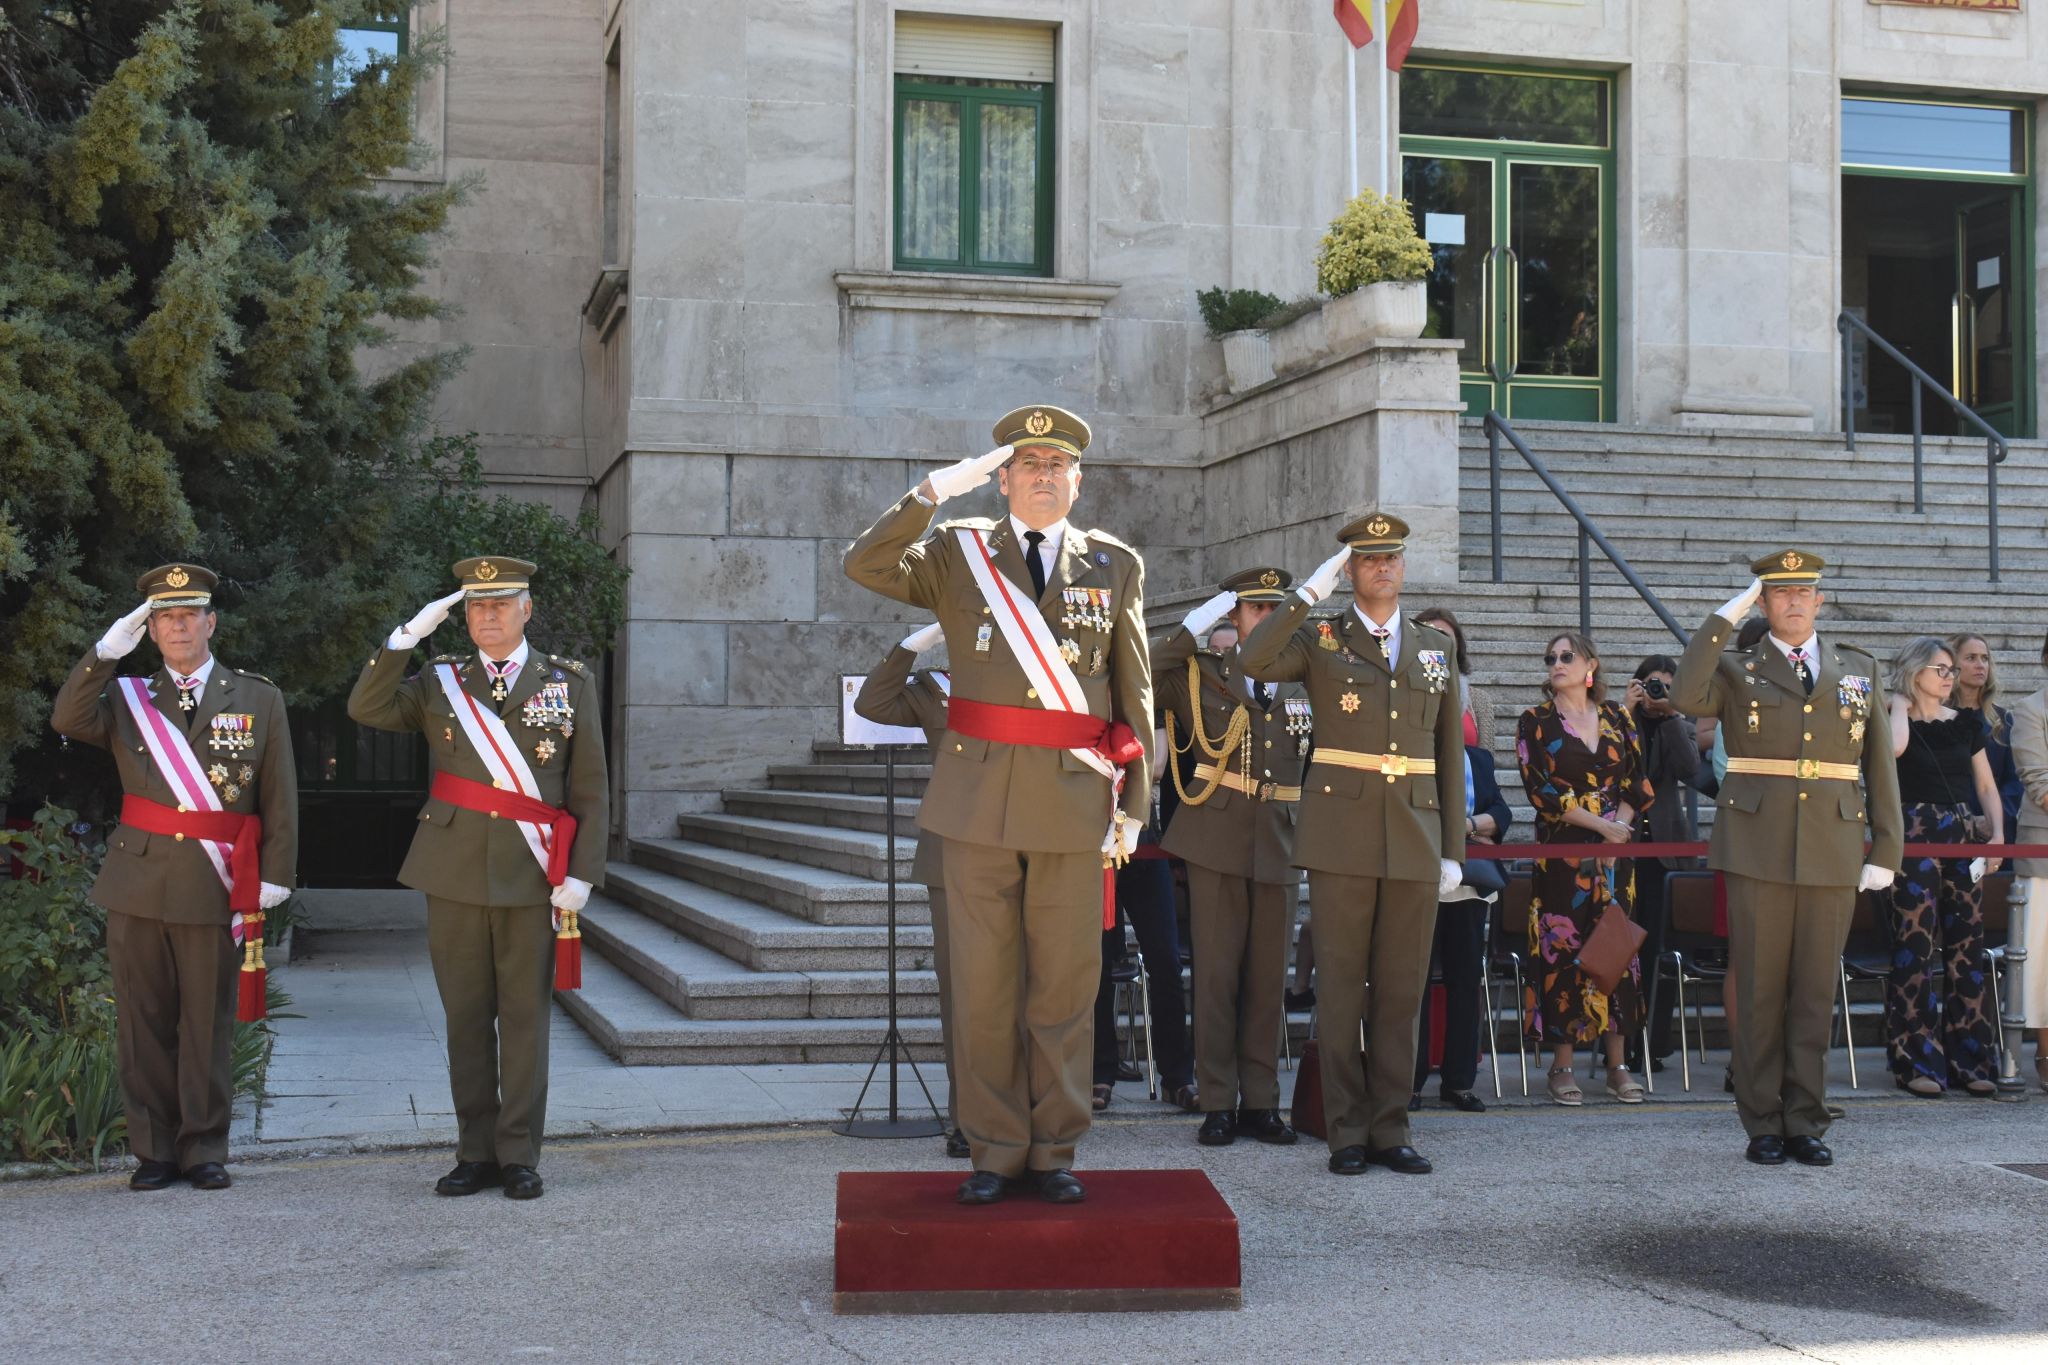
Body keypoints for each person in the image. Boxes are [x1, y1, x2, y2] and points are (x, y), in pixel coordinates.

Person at [843, 405, 1152, 1207]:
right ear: (1003, 476)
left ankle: (1054, 1148)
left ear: (1077, 481)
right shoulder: (959, 551)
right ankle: (993, 1145)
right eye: (1027, 463)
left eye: (1059, 464)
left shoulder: (1114, 566)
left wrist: (1135, 807)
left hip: (1074, 804)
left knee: (1063, 990)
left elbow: (1134, 694)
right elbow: (866, 564)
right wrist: (940, 488)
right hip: (975, 805)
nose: (1044, 475)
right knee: (983, 991)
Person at [348, 556, 609, 1201]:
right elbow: (366, 707)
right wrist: (406, 637)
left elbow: (591, 787)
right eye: (474, 607)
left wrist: (583, 874)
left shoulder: (568, 682)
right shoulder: (440, 682)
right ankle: (474, 1151)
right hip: (455, 869)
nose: (486, 617)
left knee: (524, 1020)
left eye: (500, 604)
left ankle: (519, 1153)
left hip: (532, 872)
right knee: (466, 1019)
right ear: (462, 616)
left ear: (528, 609)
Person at [51, 564, 298, 1192]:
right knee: (142, 1022)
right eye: (165, 617)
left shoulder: (258, 698)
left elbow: (279, 796)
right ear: (151, 630)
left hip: (215, 882)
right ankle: (154, 1151)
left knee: (207, 1023)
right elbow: (67, 718)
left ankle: (203, 1149)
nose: (179, 625)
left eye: (189, 615)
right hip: (137, 881)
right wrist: (107, 651)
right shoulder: (127, 696)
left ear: (211, 623)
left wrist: (275, 877)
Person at [1239, 513, 1463, 1177]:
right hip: (1340, 837)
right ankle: (1346, 1132)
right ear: (1350, 568)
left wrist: (1452, 845)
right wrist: (1309, 591)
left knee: (1399, 991)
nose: (1383, 567)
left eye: (1392, 556)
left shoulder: (1433, 648)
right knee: (1339, 989)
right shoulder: (1321, 637)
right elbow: (1253, 659)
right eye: (1367, 558)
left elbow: (1448, 751)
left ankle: (1391, 1126)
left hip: (1416, 836)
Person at [1674, 550, 1901, 1168]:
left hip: (1831, 844)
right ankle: (1761, 1120)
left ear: (1820, 600)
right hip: (1758, 847)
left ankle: (1806, 1119)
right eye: (1779, 593)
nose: (1794, 600)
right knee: (1760, 989)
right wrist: (1728, 614)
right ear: (1764, 602)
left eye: (1804, 591)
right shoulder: (1736, 666)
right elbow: (1684, 693)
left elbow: (1879, 763)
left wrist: (1886, 845)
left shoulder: (1858, 668)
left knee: (1813, 993)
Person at [1152, 566, 1312, 1146]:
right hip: (1215, 836)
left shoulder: (1306, 677)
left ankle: (1262, 1104)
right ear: (1235, 617)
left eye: (1276, 609)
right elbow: (1145, 672)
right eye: (1253, 610)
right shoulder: (1202, 674)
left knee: (1269, 980)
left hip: (1282, 838)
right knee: (1216, 977)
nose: (1266, 619)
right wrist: (1196, 625)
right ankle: (1218, 1100)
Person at [1516, 632, 1652, 1106]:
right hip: (1564, 853)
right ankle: (1563, 1064)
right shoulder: (1535, 720)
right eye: (1550, 657)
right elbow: (1540, 791)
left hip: (1617, 854)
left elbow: (1637, 782)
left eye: (1566, 656)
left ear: (1590, 664)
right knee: (1563, 952)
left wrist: (1620, 828)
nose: (1557, 663)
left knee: (1615, 949)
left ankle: (1617, 1066)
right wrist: (1601, 826)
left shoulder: (1617, 716)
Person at [852, 623, 969, 1158]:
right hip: (953, 846)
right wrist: (910, 646)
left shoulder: (1027, 673)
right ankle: (970, 1115)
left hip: (1022, 841)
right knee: (962, 990)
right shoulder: (931, 688)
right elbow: (872, 704)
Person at [1883, 636, 2003, 1097]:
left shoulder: (1967, 723)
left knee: (1966, 947)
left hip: (1959, 835)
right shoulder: (1897, 719)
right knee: (1914, 947)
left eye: (1952, 669)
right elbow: (1894, 751)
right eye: (1941, 669)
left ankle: (1971, 1059)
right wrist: (1899, 705)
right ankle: (1915, 1060)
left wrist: (1997, 839)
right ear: (1916, 672)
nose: (1950, 676)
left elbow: (1987, 787)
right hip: (1912, 832)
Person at [1413, 742, 1511, 1112]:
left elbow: (1500, 811)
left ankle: (1459, 1082)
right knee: (1414, 985)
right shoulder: (1414, 751)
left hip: (1470, 887)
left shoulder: (1479, 757)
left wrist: (1466, 825)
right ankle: (1410, 1082)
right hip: (1421, 884)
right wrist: (1467, 829)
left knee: (1466, 983)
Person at [1625, 653, 1701, 1072]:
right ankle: (1622, 1041)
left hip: (1666, 852)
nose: (1658, 692)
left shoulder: (1680, 725)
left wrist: (1670, 715)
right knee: (1624, 946)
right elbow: (1615, 766)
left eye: (1667, 686)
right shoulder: (1622, 722)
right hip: (1626, 848)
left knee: (1660, 949)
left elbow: (1690, 769)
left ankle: (1654, 1043)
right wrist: (1628, 712)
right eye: (1652, 684)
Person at [2003, 647, 2048, 1093]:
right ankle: (2045, 1052)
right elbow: (2038, 781)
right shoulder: (2031, 709)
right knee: (2041, 965)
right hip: (2044, 852)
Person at [1948, 633, 2022, 841]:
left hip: (1996, 832)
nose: (1981, 665)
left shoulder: (2004, 720)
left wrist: (1992, 821)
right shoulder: (1935, 718)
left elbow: (2016, 782)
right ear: (1951, 665)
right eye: (1971, 658)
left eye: (1985, 658)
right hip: (1946, 828)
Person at [1414, 606, 1493, 748]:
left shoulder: (1479, 701)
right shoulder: (1400, 691)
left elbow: (1485, 760)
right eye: (1429, 636)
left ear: (1457, 645)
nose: (1437, 644)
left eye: (1444, 637)